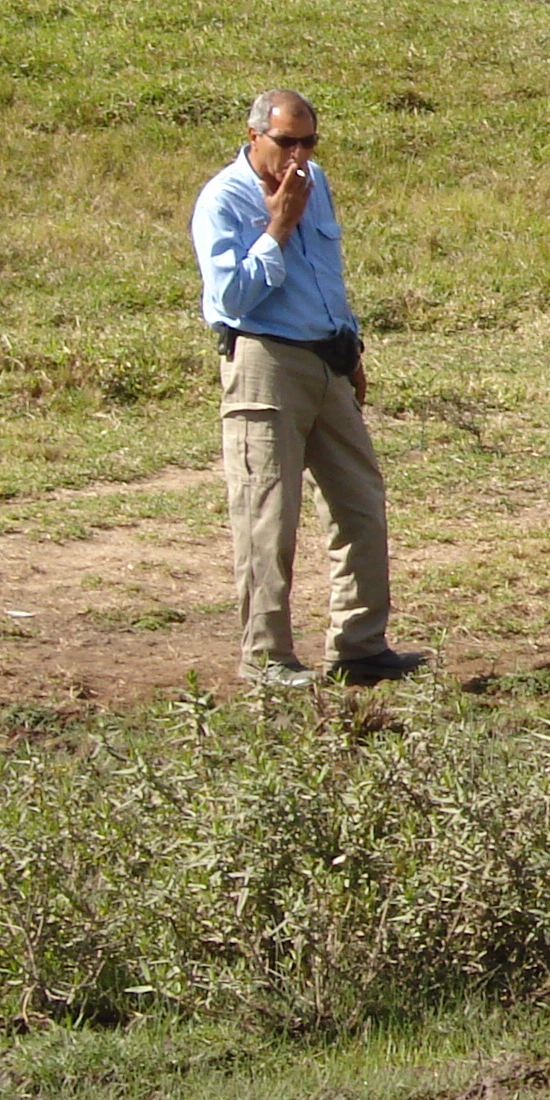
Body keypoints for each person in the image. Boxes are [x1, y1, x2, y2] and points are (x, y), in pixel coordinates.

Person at [190, 91, 421, 690]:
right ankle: (265, 656)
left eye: (307, 142)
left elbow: (327, 273)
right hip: (265, 360)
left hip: (328, 362)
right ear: (252, 135)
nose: (297, 155)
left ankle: (360, 645)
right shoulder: (224, 198)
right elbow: (230, 301)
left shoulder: (316, 180)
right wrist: (279, 224)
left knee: (360, 503)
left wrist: (352, 346)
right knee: (268, 514)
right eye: (285, 141)